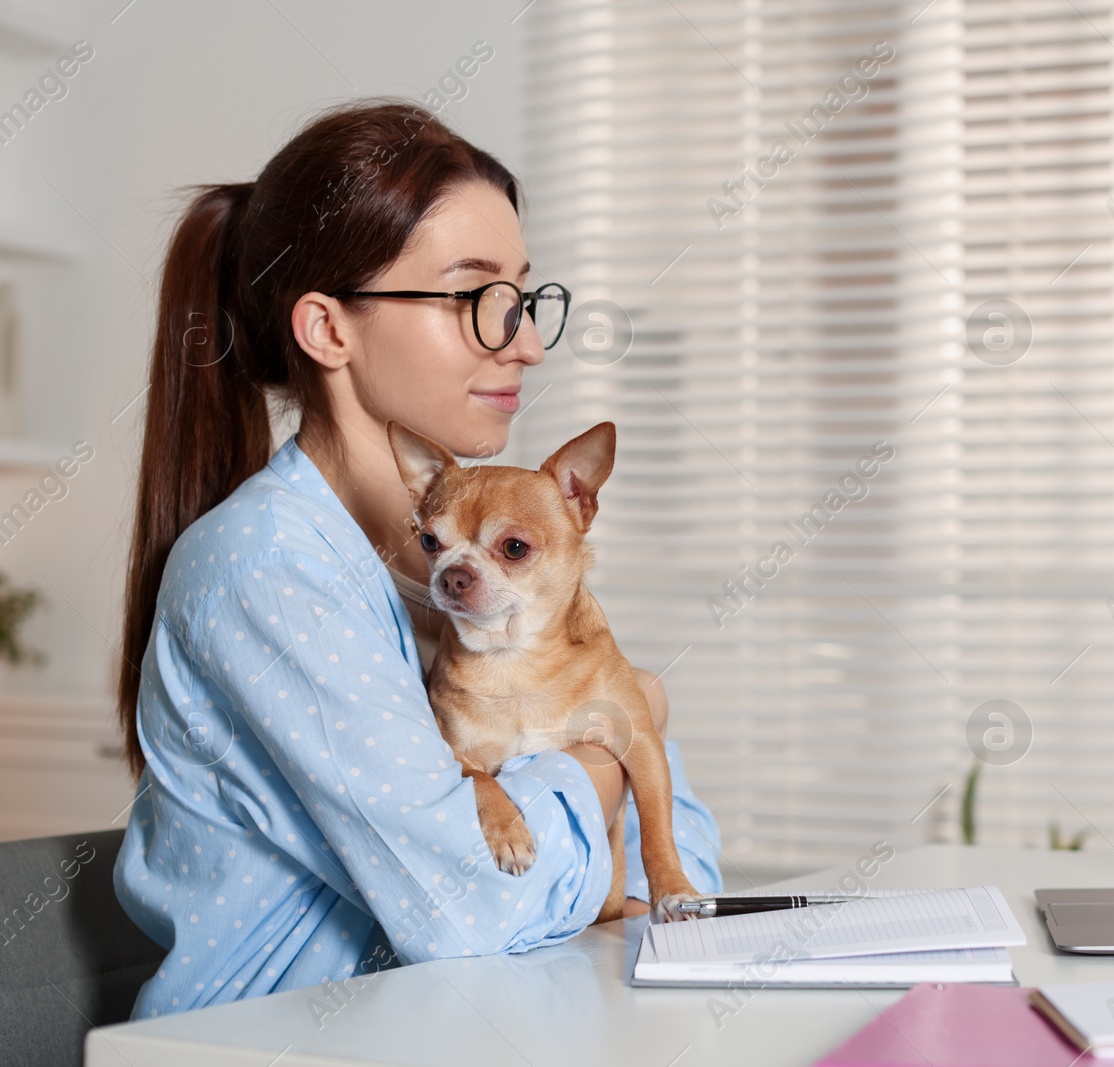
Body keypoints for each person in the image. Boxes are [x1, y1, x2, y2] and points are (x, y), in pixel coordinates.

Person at [111, 98, 722, 1019]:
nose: (527, 340)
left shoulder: (463, 571)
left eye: (522, 298)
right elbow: (465, 903)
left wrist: (617, 851)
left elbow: (684, 857)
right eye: (476, 298)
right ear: (327, 330)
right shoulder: (266, 569)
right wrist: (610, 757)